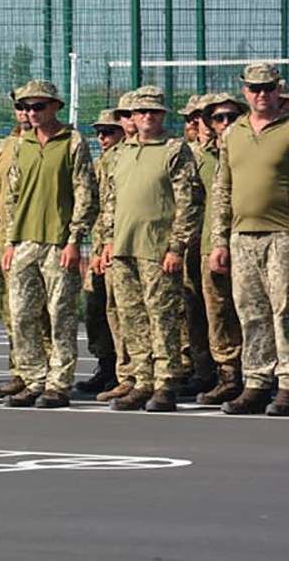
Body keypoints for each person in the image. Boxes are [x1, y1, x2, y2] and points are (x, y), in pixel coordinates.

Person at [100, 86, 203, 412]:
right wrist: (107, 240)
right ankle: (142, 380)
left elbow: (188, 202)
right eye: (140, 111)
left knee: (163, 318)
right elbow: (111, 201)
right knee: (132, 318)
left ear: (162, 116)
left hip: (157, 250)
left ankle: (165, 382)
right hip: (123, 249)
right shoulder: (123, 152)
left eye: (154, 111)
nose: (147, 117)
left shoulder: (174, 150)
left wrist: (176, 247)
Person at [1, 79, 97, 408]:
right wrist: (11, 240)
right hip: (25, 241)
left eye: (39, 106)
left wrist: (74, 239)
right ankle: (32, 378)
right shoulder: (21, 144)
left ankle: (59, 382)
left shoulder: (72, 142)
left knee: (61, 314)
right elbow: (13, 195)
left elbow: (85, 193)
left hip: (58, 242)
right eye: (26, 107)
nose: (31, 113)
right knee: (22, 313)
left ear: (55, 106)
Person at [209, 63, 289, 416]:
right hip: (242, 236)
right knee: (250, 312)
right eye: (255, 88)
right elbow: (223, 188)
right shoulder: (234, 133)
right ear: (244, 91)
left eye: (268, 88)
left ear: (278, 89)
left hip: (283, 234)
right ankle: (256, 381)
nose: (262, 95)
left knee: (284, 311)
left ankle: (286, 384)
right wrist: (220, 241)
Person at [0, 96, 50, 397]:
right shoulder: (6, 146)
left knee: (45, 308)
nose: (26, 113)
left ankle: (48, 370)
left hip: (41, 234)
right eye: (21, 108)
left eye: (32, 108)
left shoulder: (48, 142)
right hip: (8, 239)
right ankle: (20, 370)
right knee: (13, 308)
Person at [193, 92, 246, 405]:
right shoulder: (199, 156)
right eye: (218, 117)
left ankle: (261, 376)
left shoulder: (247, 146)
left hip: (250, 240)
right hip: (210, 245)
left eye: (231, 116)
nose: (225, 123)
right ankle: (228, 376)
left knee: (254, 312)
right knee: (219, 314)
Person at [78, 108, 124, 395]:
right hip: (98, 247)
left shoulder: (125, 160)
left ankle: (125, 371)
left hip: (121, 246)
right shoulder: (98, 165)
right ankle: (105, 365)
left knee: (122, 312)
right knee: (96, 308)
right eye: (99, 132)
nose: (102, 137)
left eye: (109, 131)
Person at [175, 95, 217, 398]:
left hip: (213, 240)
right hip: (191, 241)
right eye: (190, 118)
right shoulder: (186, 153)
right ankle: (198, 367)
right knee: (192, 307)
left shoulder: (218, 154)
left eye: (200, 117)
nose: (194, 123)